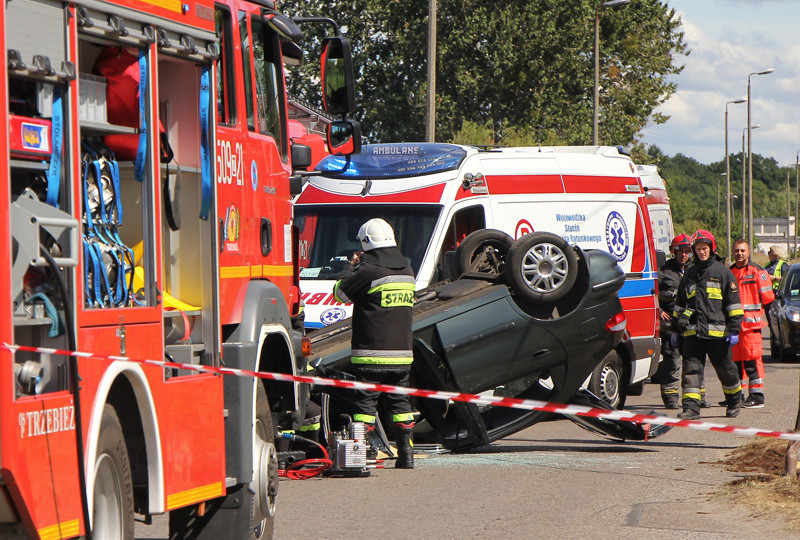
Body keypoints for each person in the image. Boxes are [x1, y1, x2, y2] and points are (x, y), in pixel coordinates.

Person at [333, 218, 417, 468]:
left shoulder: (369, 271)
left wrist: (350, 266)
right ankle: (406, 457)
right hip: (402, 354)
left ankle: (362, 457)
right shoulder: (407, 271)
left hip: (371, 354)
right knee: (400, 404)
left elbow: (340, 294)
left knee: (365, 404)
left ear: (366, 243)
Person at [672, 229, 744, 419]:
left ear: (712, 249)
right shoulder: (689, 273)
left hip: (718, 335)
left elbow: (734, 305)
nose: (701, 252)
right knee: (691, 371)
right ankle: (691, 408)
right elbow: (680, 303)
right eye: (698, 248)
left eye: (704, 248)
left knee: (726, 370)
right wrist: (675, 328)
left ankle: (734, 401)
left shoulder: (723, 273)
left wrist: (735, 329)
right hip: (692, 333)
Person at [654, 234, 709, 409]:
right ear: (673, 251)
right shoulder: (663, 272)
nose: (684, 255)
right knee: (671, 362)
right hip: (670, 326)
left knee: (694, 362)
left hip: (692, 324)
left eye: (687, 251)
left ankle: (698, 396)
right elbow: (651, 294)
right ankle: (670, 398)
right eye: (680, 251)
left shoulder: (696, 270)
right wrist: (659, 310)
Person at [729, 239, 774, 408]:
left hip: (751, 327)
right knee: (736, 361)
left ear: (748, 252)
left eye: (742, 250)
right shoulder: (730, 271)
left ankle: (757, 396)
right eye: (736, 250)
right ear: (733, 252)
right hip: (735, 327)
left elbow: (768, 297)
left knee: (752, 360)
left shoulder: (757, 271)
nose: (739, 253)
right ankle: (737, 395)